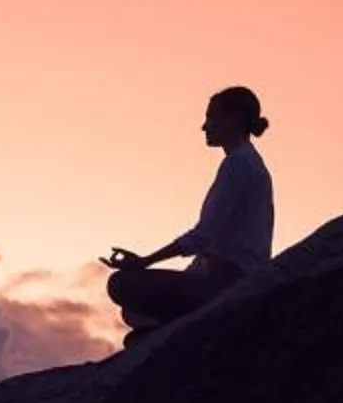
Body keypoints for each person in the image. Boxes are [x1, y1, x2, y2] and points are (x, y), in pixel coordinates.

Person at [104, 86, 273, 339]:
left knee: (120, 285)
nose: (204, 126)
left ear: (234, 118)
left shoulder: (238, 164)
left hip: (224, 282)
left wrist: (144, 262)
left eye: (211, 117)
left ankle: (179, 329)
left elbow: (202, 237)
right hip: (220, 274)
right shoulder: (249, 163)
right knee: (132, 315)